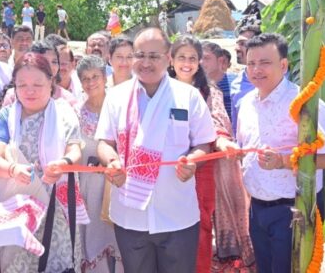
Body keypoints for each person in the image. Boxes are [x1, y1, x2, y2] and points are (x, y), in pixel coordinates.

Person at [96, 27, 215, 273]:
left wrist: (193, 161)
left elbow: (204, 143)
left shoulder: (188, 96)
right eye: (140, 55)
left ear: (168, 57)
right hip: (130, 216)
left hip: (177, 213)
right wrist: (112, 162)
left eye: (154, 56)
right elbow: (105, 142)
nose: (146, 63)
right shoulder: (116, 97)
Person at [237, 33, 325, 273]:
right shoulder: (247, 103)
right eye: (251, 63)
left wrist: (283, 161)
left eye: (264, 63)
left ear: (283, 65)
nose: (256, 70)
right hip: (257, 209)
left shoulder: (305, 103)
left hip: (293, 211)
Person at [0, 52, 88, 273]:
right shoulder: (6, 116)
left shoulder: (64, 113)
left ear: (51, 82)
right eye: (22, 85)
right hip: (18, 208)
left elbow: (74, 150)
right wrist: (13, 169)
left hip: (57, 209)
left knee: (58, 264)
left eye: (37, 84)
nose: (29, 91)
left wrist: (62, 163)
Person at [170, 35, 254, 272]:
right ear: (171, 59)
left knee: (200, 228)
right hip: (167, 171)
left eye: (193, 58)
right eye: (181, 57)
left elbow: (216, 124)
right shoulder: (159, 90)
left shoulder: (208, 91)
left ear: (199, 62)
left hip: (202, 170)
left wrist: (222, 142)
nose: (187, 63)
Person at [75, 55, 123, 273]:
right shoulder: (76, 112)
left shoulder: (119, 105)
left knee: (118, 235)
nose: (91, 82)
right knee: (94, 233)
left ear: (105, 77)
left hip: (118, 182)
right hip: (89, 187)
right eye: (85, 78)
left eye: (95, 76)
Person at [1, 41, 78, 108]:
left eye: (54, 62)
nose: (50, 66)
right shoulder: (13, 96)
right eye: (44, 61)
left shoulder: (67, 99)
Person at [230, 25, 261, 135]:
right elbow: (236, 128)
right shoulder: (236, 84)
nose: (236, 48)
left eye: (243, 44)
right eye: (237, 43)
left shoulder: (279, 79)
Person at [201, 42, 234, 119]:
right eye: (199, 58)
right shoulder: (196, 86)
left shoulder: (235, 83)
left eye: (206, 58)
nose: (201, 62)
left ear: (220, 60)